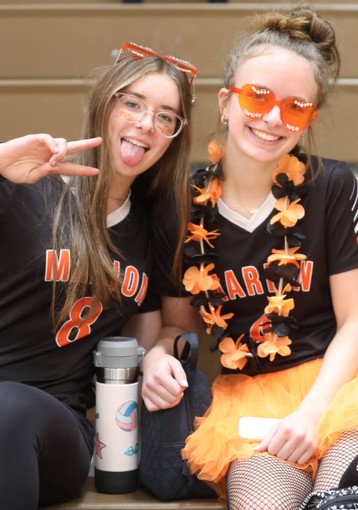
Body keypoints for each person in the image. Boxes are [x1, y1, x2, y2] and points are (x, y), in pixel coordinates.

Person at [141, 7, 358, 509]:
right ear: (225, 102)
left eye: (295, 106)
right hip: (253, 401)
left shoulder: (332, 187)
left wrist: (312, 412)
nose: (273, 118)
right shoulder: (182, 204)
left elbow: (353, 323)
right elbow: (177, 328)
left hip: (346, 389)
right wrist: (156, 354)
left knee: (341, 502)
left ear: (309, 118)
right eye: (258, 96)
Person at [0, 42, 195, 509]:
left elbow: (162, 330)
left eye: (166, 116)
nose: (147, 123)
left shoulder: (153, 227)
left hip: (54, 425)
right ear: (104, 105)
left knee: (8, 409)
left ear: (172, 137)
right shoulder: (25, 186)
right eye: (133, 104)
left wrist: (152, 357)